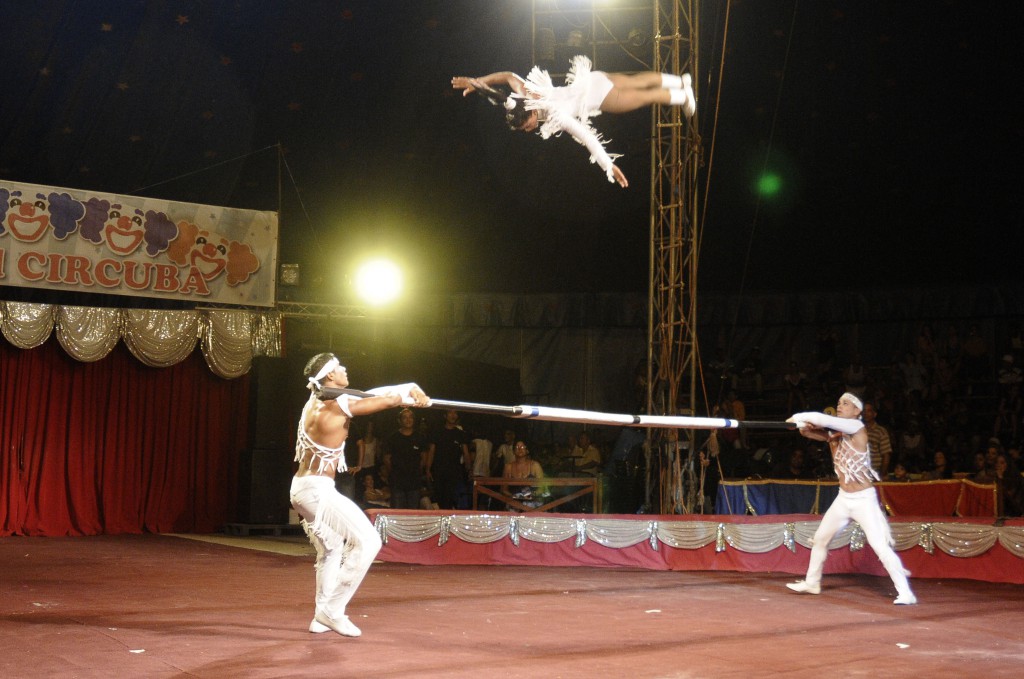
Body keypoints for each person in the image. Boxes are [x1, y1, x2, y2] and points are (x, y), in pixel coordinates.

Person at [290, 353, 430, 638]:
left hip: (304, 488)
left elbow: (367, 394)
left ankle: (321, 617)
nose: (345, 369)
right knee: (368, 540)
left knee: (332, 549)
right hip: (316, 490)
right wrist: (412, 396)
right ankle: (332, 610)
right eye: (340, 367)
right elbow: (383, 400)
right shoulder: (334, 407)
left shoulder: (319, 400)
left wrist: (409, 386)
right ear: (330, 376)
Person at [452, 56, 696, 188]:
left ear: (532, 114)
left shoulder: (555, 114)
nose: (528, 131)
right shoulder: (525, 96)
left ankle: (683, 95)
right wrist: (478, 82)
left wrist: (608, 166)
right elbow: (507, 77)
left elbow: (586, 136)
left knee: (643, 97)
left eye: (526, 126)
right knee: (636, 81)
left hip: (600, 97)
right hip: (593, 79)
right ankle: (679, 81)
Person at [784, 392, 916, 605]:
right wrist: (800, 427)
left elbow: (821, 420)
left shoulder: (856, 428)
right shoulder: (837, 434)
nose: (840, 405)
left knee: (880, 547)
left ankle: (906, 593)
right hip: (843, 498)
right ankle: (812, 582)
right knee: (820, 539)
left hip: (864, 500)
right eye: (839, 403)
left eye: (846, 404)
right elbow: (817, 433)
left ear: (857, 412)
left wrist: (799, 416)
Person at [385, 408, 432, 510]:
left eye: (410, 417)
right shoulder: (393, 437)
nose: (408, 420)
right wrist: (394, 472)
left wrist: (416, 470)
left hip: (414, 482)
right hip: (397, 481)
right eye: (405, 417)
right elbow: (387, 458)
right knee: (397, 512)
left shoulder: (420, 437)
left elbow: (424, 457)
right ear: (399, 420)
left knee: (413, 512)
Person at [428, 409, 472, 509]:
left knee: (449, 499)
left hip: (454, 472)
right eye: (450, 413)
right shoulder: (437, 432)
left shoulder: (460, 434)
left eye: (455, 413)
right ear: (445, 415)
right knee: (439, 498)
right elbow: (431, 451)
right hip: (438, 471)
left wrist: (469, 469)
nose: (453, 415)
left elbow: (466, 453)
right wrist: (428, 469)